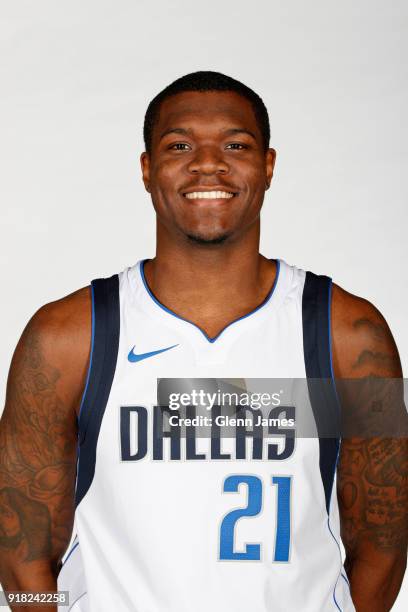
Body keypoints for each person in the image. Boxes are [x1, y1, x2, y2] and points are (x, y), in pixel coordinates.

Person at [0, 71, 406, 612]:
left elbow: (384, 540)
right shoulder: (65, 339)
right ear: (147, 170)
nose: (208, 162)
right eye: (180, 145)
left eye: (236, 144)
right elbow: (22, 555)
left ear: (268, 166)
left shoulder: (351, 335)